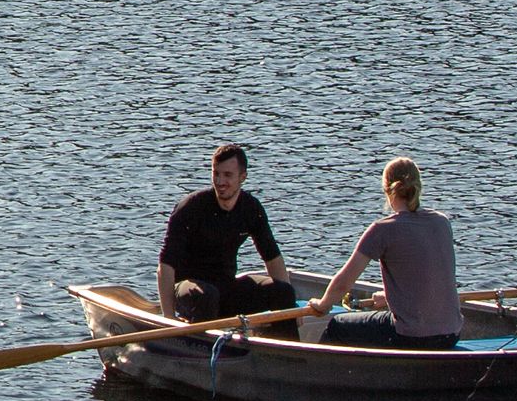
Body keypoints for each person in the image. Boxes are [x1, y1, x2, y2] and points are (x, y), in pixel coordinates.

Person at [306, 157, 464, 347]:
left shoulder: (382, 229)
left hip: (410, 336)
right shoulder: (441, 222)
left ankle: (322, 366)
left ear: (387, 190)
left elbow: (343, 283)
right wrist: (391, 298)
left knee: (337, 326)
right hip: (451, 334)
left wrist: (323, 305)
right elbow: (429, 280)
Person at [158, 143, 297, 322]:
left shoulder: (251, 208)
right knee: (207, 295)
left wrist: (290, 310)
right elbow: (166, 265)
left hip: (226, 286)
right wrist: (168, 317)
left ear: (243, 177)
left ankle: (281, 340)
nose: (220, 181)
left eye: (227, 175)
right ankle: (203, 338)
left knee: (284, 291)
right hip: (188, 289)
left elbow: (272, 258)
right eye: (216, 174)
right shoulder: (191, 208)